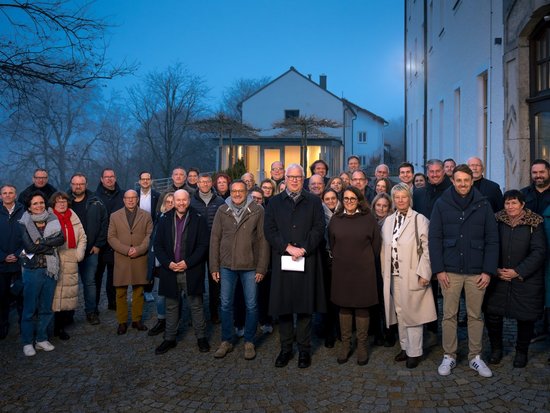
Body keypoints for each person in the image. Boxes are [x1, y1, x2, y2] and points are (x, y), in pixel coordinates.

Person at [429, 164, 499, 378]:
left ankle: (475, 357)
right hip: (449, 270)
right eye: (458, 180)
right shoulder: (442, 203)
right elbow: (434, 238)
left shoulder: (483, 204)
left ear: (472, 181)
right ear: (452, 180)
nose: (462, 184)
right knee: (449, 315)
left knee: (475, 315)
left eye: (466, 180)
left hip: (477, 271)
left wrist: (488, 271)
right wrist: (439, 269)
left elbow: (492, 239)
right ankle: (449, 355)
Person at [264, 164, 326, 369]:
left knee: (305, 307)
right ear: (285, 179)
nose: (294, 180)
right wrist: (287, 247)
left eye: (298, 177)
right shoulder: (274, 202)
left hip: (307, 260)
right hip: (283, 259)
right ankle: (286, 349)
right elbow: (269, 230)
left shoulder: (314, 201)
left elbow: (319, 228)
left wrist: (304, 248)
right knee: (283, 307)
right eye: (291, 177)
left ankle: (304, 350)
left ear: (303, 179)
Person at [484, 190, 547, 368]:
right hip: (499, 276)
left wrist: (518, 271)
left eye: (514, 203)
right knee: (493, 315)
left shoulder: (535, 222)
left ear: (522, 204)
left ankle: (521, 352)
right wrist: (494, 268)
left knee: (525, 318)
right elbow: (489, 245)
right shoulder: (497, 220)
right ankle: (496, 349)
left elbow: (539, 251)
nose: (510, 207)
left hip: (525, 279)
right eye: (507, 203)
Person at [210, 180, 270, 360]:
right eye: (234, 191)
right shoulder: (222, 210)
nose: (237, 194)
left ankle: (249, 341)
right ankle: (226, 340)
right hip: (226, 265)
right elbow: (215, 238)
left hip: (250, 265)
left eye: (240, 191)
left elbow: (263, 240)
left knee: (251, 305)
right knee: (226, 304)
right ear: (230, 192)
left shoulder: (257, 210)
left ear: (247, 192)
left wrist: (261, 267)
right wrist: (214, 265)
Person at [381, 183, 436, 368]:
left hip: (414, 274)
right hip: (393, 275)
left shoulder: (419, 220)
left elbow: (428, 249)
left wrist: (425, 273)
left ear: (409, 199)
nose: (400, 200)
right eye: (397, 197)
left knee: (413, 314)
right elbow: (384, 249)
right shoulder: (389, 221)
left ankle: (415, 352)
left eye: (404, 197)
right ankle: (405, 347)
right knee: (400, 312)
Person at [153, 189, 210, 355]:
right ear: (174, 201)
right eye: (178, 200)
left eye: (184, 200)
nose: (181, 203)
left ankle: (201, 338)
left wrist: (187, 263)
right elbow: (158, 245)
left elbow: (203, 245)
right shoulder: (164, 219)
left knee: (196, 305)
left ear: (189, 200)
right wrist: (168, 263)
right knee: (171, 306)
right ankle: (169, 338)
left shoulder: (198, 218)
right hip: (170, 270)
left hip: (191, 270)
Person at [329, 186, 381, 365]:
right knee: (343, 307)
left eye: (352, 198)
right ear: (342, 200)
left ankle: (362, 346)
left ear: (359, 200)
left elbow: (376, 246)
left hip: (364, 270)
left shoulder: (368, 219)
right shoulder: (336, 219)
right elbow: (332, 243)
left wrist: (364, 260)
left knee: (362, 307)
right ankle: (345, 345)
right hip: (342, 270)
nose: (349, 202)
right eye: (346, 198)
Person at [19, 192, 65, 356]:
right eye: (35, 204)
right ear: (29, 207)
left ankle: (41, 339)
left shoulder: (53, 219)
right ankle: (27, 342)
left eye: (41, 203)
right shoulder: (24, 222)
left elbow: (61, 239)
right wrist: (49, 245)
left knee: (46, 307)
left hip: (50, 270)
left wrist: (42, 242)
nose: (39, 206)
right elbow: (30, 247)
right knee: (30, 309)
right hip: (32, 270)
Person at [108, 189, 153, 335]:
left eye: (133, 197)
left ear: (137, 199)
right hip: (122, 258)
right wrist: (126, 250)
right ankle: (122, 322)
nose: (131, 200)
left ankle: (136, 320)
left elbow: (149, 235)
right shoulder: (115, 216)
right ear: (124, 200)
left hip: (140, 258)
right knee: (120, 292)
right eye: (128, 198)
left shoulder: (146, 215)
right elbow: (111, 237)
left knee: (138, 291)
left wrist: (139, 250)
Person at [68, 173, 108, 325]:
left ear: (86, 185)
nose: (78, 186)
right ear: (71, 185)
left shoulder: (96, 201)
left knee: (89, 282)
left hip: (90, 250)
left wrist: (98, 245)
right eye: (75, 184)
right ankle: (67, 315)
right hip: (69, 251)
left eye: (81, 184)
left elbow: (104, 223)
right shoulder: (64, 201)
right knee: (69, 284)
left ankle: (91, 312)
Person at [50, 192, 87, 341]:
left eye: (64, 201)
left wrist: (79, 254)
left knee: (67, 294)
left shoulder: (73, 216)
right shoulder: (49, 217)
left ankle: (61, 326)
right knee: (54, 294)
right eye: (58, 201)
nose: (61, 204)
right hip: (54, 259)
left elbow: (82, 237)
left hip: (71, 258)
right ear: (53, 204)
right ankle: (52, 326)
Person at [190, 173, 225, 324]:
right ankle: (196, 314)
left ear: (211, 183)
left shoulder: (220, 201)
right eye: (202, 182)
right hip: (197, 246)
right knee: (196, 280)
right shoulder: (191, 201)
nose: (204, 184)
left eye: (207, 181)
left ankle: (214, 312)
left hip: (215, 246)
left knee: (215, 281)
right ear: (197, 184)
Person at [94, 168, 124, 311]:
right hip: (99, 243)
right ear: (101, 179)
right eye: (106, 177)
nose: (109, 179)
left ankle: (113, 303)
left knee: (114, 276)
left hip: (117, 242)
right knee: (96, 277)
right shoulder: (94, 197)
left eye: (112, 176)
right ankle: (93, 306)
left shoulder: (123, 195)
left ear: (115, 178)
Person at [147, 192, 174, 337]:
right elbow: (154, 241)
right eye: (167, 202)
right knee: (160, 295)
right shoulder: (159, 218)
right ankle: (161, 320)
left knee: (174, 296)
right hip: (159, 263)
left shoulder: (179, 219)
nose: (170, 204)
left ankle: (173, 324)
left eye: (172, 201)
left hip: (172, 263)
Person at [0, 184, 24, 339]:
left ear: (16, 195)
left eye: (11, 193)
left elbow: (29, 237)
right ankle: (3, 325)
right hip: (1, 264)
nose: (8, 195)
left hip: (20, 262)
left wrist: (17, 254)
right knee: (2, 297)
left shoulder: (24, 212)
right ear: (0, 196)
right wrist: (2, 256)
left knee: (22, 296)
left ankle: (24, 325)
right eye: (5, 193)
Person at [321, 188, 341, 348]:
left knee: (342, 297)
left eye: (333, 198)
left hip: (343, 259)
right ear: (323, 200)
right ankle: (329, 332)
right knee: (328, 297)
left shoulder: (344, 213)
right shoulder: (320, 215)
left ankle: (342, 330)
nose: (330, 201)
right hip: (326, 258)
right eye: (327, 199)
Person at [137, 171, 160, 303]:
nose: (145, 181)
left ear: (151, 181)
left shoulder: (157, 196)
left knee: (150, 261)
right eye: (143, 179)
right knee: (138, 262)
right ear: (139, 181)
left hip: (152, 232)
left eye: (148, 179)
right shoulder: (134, 194)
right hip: (137, 233)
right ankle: (138, 290)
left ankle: (148, 290)